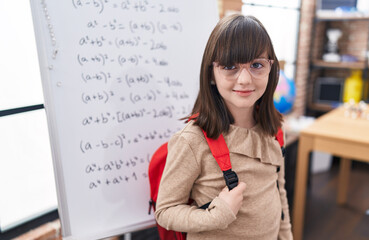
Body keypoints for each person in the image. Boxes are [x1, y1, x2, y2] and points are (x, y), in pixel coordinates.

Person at [155, 14, 293, 240]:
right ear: (211, 73)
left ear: (271, 68)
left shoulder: (275, 128)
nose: (245, 79)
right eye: (230, 66)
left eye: (257, 65)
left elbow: (279, 190)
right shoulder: (193, 140)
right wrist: (216, 216)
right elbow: (165, 211)